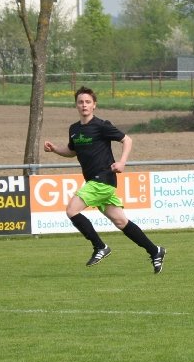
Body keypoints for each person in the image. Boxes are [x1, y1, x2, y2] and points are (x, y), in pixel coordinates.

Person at [44, 86, 166, 274]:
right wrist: (55, 149)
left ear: (94, 105)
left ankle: (100, 246)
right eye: (80, 102)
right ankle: (155, 251)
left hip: (103, 179)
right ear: (76, 105)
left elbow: (127, 140)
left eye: (88, 102)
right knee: (121, 222)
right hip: (94, 181)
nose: (84, 105)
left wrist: (122, 162)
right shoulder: (74, 129)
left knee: (72, 210)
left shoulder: (101, 125)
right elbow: (72, 151)